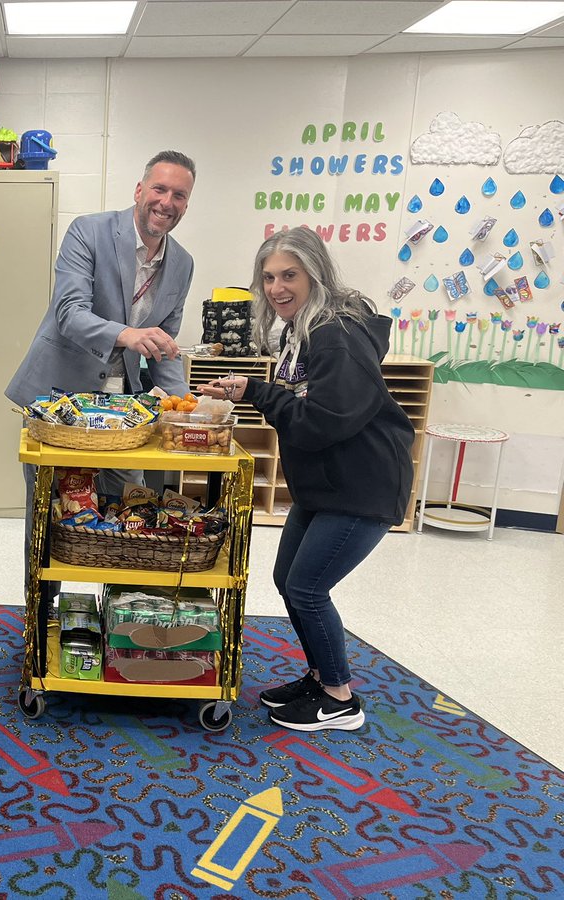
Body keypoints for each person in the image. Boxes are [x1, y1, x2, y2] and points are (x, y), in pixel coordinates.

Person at [198, 227, 413, 733]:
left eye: (289, 275)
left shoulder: (337, 333)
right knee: (288, 580)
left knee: (308, 587)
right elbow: (304, 398)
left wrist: (258, 392)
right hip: (326, 484)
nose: (277, 288)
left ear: (316, 273)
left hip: (361, 486)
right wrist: (253, 386)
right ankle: (319, 677)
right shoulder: (304, 328)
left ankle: (339, 698)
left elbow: (323, 420)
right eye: (269, 277)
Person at [5, 150, 197, 592]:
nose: (167, 202)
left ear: (187, 204)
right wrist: (128, 334)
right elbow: (70, 313)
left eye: (179, 195)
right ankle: (42, 613)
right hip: (58, 403)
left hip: (124, 412)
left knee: (129, 508)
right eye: (160, 189)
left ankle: (120, 614)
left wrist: (180, 408)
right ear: (139, 190)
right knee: (50, 515)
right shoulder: (88, 232)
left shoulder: (182, 264)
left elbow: (165, 347)